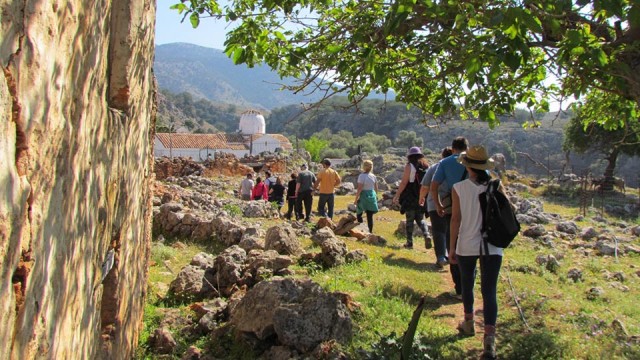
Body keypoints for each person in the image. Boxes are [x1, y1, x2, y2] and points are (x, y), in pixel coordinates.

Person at [449, 145, 501, 359]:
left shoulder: (459, 188)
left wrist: (451, 247)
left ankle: (468, 322)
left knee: (467, 283)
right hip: (492, 245)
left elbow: (455, 219)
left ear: (468, 167)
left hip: (467, 244)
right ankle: (489, 339)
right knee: (489, 290)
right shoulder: (496, 186)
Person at [430, 136, 469, 298]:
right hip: (472, 208)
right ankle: (469, 286)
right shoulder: (473, 161)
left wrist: (438, 205)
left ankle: (459, 288)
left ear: (453, 149)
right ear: (467, 147)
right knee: (469, 245)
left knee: (452, 242)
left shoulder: (445, 163)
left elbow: (434, 185)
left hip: (452, 207)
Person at [419, 147, 453, 268]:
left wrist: (421, 198)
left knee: (438, 231)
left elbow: (425, 186)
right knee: (450, 230)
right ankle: (451, 255)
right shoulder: (458, 167)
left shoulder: (435, 167)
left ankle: (441, 257)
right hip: (454, 204)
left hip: (434, 203)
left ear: (442, 155)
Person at [392, 146, 431, 249]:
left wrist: (397, 195)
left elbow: (404, 182)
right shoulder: (425, 166)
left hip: (410, 195)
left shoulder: (409, 166)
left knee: (410, 219)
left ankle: (409, 243)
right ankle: (427, 234)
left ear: (409, 156)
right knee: (420, 218)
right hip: (422, 194)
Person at [354, 160, 379, 233]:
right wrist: (376, 196)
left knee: (359, 213)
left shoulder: (362, 176)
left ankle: (361, 228)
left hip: (364, 195)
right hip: (372, 195)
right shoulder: (373, 176)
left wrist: (356, 199)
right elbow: (376, 188)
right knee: (370, 216)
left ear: (364, 167)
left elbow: (359, 188)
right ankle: (370, 231)